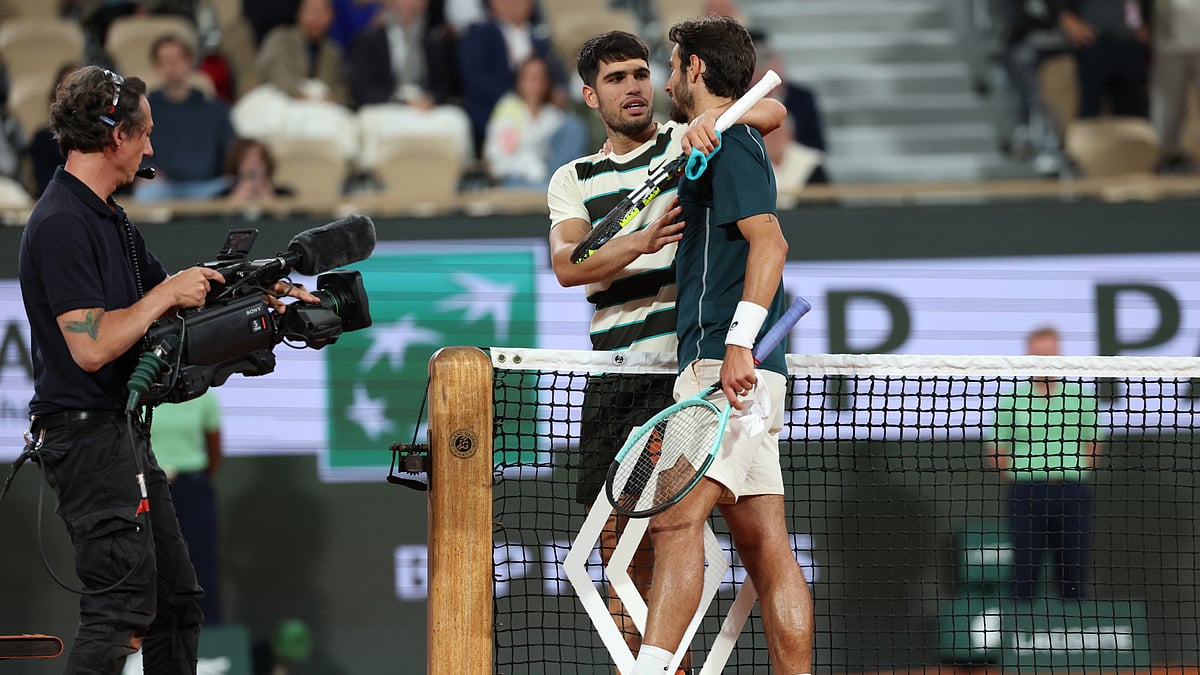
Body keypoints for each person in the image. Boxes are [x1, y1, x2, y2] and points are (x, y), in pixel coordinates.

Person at [16, 65, 317, 673]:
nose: (152, 147)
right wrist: (164, 296)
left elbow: (183, 296)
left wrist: (267, 291)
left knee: (177, 604)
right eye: (145, 133)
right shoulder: (61, 224)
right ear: (114, 137)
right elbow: (93, 346)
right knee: (119, 610)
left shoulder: (106, 217)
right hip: (86, 439)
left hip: (119, 436)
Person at [547, 29, 786, 667]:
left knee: (682, 538)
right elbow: (570, 265)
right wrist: (641, 243)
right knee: (616, 552)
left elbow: (769, 110)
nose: (633, 87)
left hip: (682, 376)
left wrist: (713, 116)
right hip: (615, 379)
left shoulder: (685, 140)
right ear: (589, 94)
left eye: (640, 74)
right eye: (616, 79)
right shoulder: (573, 178)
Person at [627, 16, 813, 675]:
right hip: (746, 375)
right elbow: (771, 108)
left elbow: (772, 242)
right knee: (766, 546)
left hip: (722, 367)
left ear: (696, 69)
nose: (665, 76)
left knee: (675, 522)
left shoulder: (730, 144)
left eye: (673, 63)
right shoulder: (720, 138)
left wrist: (737, 344)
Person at [983, 325, 1107, 599]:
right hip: (1027, 492)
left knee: (1073, 569)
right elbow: (996, 452)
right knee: (1024, 568)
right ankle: (1018, 633)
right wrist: (1025, 474)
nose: (1045, 361)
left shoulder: (1081, 398)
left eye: (1050, 353)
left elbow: (1094, 445)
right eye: (1039, 354)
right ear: (1028, 356)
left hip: (1072, 492)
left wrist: (1070, 468)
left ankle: (1076, 636)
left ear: (1060, 354)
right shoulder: (1012, 400)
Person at [148, 391, 223, 625]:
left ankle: (207, 636)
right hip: (151, 487)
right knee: (151, 565)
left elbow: (214, 450)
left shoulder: (202, 396)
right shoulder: (141, 392)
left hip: (192, 489)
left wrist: (192, 477)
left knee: (199, 564)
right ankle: (150, 635)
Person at [456, 0, 567, 154]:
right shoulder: (478, 34)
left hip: (541, 111)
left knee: (570, 128)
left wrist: (558, 91)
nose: (516, 3)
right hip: (497, 111)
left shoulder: (541, 40)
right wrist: (517, 98)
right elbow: (475, 77)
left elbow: (557, 75)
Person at [136, 33, 237, 202]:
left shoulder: (216, 110)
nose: (171, 67)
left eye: (176, 60)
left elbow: (233, 151)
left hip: (209, 187)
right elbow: (132, 148)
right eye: (164, 61)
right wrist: (146, 170)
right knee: (148, 193)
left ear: (190, 62)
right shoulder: (143, 110)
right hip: (162, 187)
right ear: (156, 66)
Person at [485, 54, 586, 189]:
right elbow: (499, 157)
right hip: (516, 176)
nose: (537, 83)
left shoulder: (552, 115)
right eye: (531, 78)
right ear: (519, 81)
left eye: (541, 78)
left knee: (574, 126)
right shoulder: (508, 109)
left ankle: (560, 186)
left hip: (548, 174)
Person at [1058, 0, 1152, 118]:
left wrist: (1137, 25)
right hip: (1092, 42)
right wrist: (1065, 17)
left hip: (1128, 43)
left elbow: (1131, 4)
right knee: (1089, 109)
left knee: (1130, 112)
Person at [256, 0, 353, 106]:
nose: (316, 17)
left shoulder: (334, 52)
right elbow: (274, 73)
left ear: (331, 16)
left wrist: (330, 99)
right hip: (284, 102)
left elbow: (341, 89)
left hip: (321, 109)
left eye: (321, 11)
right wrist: (298, 95)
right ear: (300, 13)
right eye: (312, 11)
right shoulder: (280, 39)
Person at [1150, 0, 1200, 173]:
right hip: (1168, 44)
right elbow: (1131, 4)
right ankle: (1167, 156)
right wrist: (1134, 27)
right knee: (1167, 106)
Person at [220, 137, 294, 202]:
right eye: (247, 161)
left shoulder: (285, 195)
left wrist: (272, 202)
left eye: (259, 160)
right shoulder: (222, 197)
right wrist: (234, 203)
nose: (253, 165)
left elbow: (296, 215)